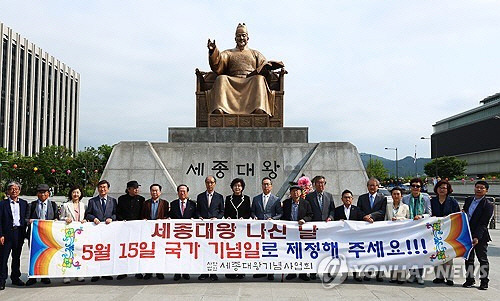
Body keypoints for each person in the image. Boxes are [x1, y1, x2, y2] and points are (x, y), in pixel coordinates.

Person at [206, 23, 280, 115]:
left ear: (248, 38)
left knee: (259, 79)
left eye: (243, 36)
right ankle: (221, 108)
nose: (241, 38)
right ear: (235, 38)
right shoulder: (229, 53)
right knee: (221, 79)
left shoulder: (255, 54)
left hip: (250, 81)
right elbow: (218, 62)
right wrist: (213, 51)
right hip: (232, 82)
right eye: (239, 36)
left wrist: (268, 68)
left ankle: (259, 108)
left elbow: (264, 65)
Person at [462, 180, 494, 290]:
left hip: (481, 236)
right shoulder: (469, 200)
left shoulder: (488, 205)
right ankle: (470, 279)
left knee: (482, 259)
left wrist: (476, 237)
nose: (479, 189)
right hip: (467, 234)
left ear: (486, 190)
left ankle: (484, 281)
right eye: (477, 187)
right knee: (468, 259)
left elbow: (484, 223)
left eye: (482, 188)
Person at [26, 184, 60, 286]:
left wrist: (56, 221)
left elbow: (57, 218)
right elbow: (25, 219)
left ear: (48, 194)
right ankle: (33, 277)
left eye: (45, 192)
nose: (43, 194)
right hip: (35, 235)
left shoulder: (53, 205)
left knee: (46, 255)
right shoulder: (32, 205)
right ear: (37, 194)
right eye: (40, 192)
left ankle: (45, 276)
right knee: (34, 255)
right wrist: (30, 221)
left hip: (48, 235)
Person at [84, 179, 117, 282]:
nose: (102, 189)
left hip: (108, 231)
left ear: (108, 189)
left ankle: (106, 272)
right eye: (100, 187)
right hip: (96, 230)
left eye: (104, 187)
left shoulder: (113, 201)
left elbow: (116, 214)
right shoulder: (92, 201)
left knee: (107, 251)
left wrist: (112, 218)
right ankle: (96, 273)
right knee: (96, 251)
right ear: (98, 189)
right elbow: (88, 214)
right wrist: (93, 218)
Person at [251, 177, 282, 281]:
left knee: (269, 250)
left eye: (268, 184)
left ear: (271, 186)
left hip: (271, 229)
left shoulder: (276, 199)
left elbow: (280, 213)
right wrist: (254, 216)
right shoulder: (256, 199)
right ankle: (261, 271)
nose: (266, 186)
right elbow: (253, 211)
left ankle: (270, 272)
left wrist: (272, 218)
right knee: (259, 249)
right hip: (259, 229)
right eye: (264, 184)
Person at [429, 180, 460, 286]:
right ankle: (439, 276)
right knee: (437, 253)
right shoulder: (432, 201)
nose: (442, 190)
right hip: (435, 231)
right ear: (436, 189)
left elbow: (457, 216)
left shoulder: (453, 202)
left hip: (448, 231)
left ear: (448, 190)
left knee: (448, 254)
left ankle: (449, 277)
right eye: (440, 187)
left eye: (444, 188)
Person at [0, 181, 29, 290]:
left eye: (16, 189)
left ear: (19, 191)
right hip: (6, 234)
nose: (14, 191)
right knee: (3, 258)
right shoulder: (2, 204)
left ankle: (15, 278)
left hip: (19, 233)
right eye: (11, 189)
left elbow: (26, 218)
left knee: (16, 257)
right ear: (8, 191)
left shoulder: (24, 203)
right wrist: (1, 234)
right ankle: (2, 280)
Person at [305, 175, 335, 280]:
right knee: (313, 250)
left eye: (323, 183)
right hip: (314, 228)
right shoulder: (309, 197)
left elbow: (332, 210)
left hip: (326, 228)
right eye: (319, 183)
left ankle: (327, 271)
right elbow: (308, 211)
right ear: (314, 184)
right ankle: (313, 272)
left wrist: (330, 218)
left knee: (326, 250)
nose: (321, 185)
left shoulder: (329, 196)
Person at [357, 178, 387, 282]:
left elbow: (382, 211)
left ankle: (379, 274)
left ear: (378, 187)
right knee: (367, 252)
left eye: (374, 185)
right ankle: (368, 273)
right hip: (365, 229)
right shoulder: (362, 198)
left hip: (378, 228)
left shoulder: (383, 198)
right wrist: (365, 217)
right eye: (370, 185)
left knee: (379, 251)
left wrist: (371, 216)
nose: (372, 187)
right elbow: (358, 210)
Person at [402, 177, 431, 285]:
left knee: (420, 252)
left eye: (418, 186)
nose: (415, 188)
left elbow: (429, 213)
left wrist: (421, 216)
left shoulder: (426, 198)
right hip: (409, 229)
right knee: (410, 252)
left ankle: (419, 275)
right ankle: (412, 274)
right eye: (413, 186)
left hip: (421, 229)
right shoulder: (405, 199)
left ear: (421, 187)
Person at [282, 185, 313, 281]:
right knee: (291, 251)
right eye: (293, 191)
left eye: (297, 191)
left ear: (300, 193)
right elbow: (282, 215)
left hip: (302, 231)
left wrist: (304, 219)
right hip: (290, 231)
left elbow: (310, 215)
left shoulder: (305, 203)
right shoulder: (286, 203)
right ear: (290, 193)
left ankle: (303, 273)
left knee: (302, 251)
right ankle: (292, 272)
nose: (295, 193)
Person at [196, 175, 224, 281]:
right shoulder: (200, 196)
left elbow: (222, 211)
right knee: (203, 250)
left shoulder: (219, 197)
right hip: (203, 228)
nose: (209, 184)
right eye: (207, 182)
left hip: (214, 228)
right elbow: (197, 210)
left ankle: (213, 272)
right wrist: (199, 217)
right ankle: (204, 272)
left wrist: (217, 218)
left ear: (215, 184)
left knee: (213, 250)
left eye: (212, 182)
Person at [116, 180, 145, 280]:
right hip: (124, 228)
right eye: (134, 188)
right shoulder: (121, 199)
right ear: (129, 189)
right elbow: (118, 212)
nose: (137, 190)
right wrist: (121, 220)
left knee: (137, 250)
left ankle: (137, 271)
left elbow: (143, 213)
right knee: (124, 250)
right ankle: (123, 271)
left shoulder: (141, 199)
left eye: (137, 188)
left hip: (137, 229)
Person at [334, 189, 364, 282]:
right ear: (342, 199)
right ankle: (344, 274)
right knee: (344, 256)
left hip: (355, 238)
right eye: (345, 197)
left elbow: (362, 219)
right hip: (343, 238)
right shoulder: (337, 210)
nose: (347, 199)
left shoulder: (357, 209)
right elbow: (334, 222)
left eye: (349, 197)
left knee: (355, 256)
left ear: (352, 199)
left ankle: (356, 274)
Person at [224, 178, 251, 279]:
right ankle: (230, 271)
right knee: (230, 249)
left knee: (240, 249)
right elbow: (225, 212)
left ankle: (241, 271)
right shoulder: (228, 198)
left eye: (239, 186)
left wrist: (244, 218)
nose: (237, 187)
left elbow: (248, 212)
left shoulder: (247, 198)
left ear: (242, 187)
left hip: (242, 229)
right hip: (230, 229)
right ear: (232, 187)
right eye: (235, 186)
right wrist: (228, 218)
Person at [169, 184, 197, 281]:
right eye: (180, 191)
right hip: (176, 233)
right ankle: (177, 272)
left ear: (187, 192)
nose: (182, 193)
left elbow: (196, 216)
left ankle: (186, 272)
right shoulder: (173, 204)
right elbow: (170, 215)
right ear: (178, 192)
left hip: (188, 233)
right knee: (177, 253)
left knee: (186, 253)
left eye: (184, 191)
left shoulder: (193, 204)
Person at [60, 186, 87, 284]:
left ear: (80, 194)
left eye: (77, 192)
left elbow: (86, 217)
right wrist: (65, 219)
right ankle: (66, 275)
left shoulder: (84, 205)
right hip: (69, 232)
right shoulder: (66, 205)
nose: (76, 194)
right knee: (68, 253)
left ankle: (78, 273)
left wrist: (85, 220)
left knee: (79, 252)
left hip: (80, 232)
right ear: (71, 194)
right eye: (74, 192)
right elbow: (61, 218)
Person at [141, 183, 168, 280]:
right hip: (148, 232)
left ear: (160, 192)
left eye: (156, 190)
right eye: (152, 190)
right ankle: (148, 272)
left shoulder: (165, 203)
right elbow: (142, 215)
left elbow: (166, 215)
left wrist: (163, 220)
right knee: (149, 252)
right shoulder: (146, 203)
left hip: (160, 232)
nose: (154, 192)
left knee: (159, 252)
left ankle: (159, 272)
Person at [384, 186, 410, 284]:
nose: (396, 196)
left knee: (402, 257)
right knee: (392, 256)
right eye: (394, 194)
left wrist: (399, 219)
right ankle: (393, 276)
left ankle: (402, 277)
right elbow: (385, 219)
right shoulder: (388, 206)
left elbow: (409, 220)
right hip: (391, 235)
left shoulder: (405, 207)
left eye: (398, 194)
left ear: (401, 196)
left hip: (402, 235)